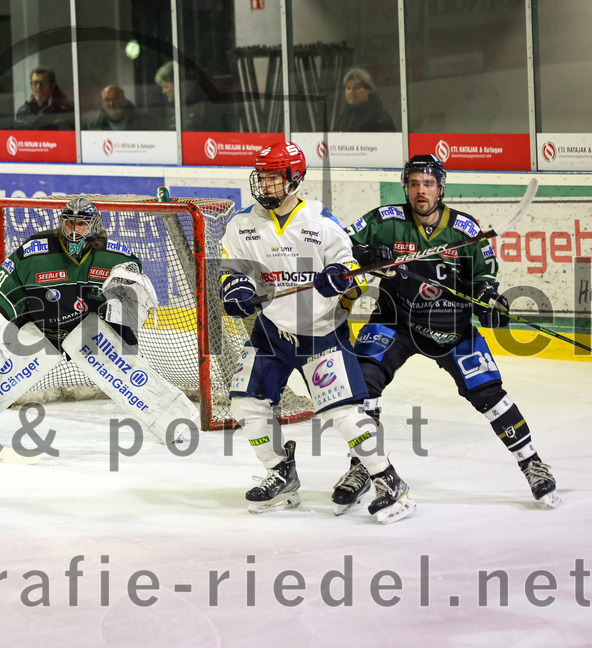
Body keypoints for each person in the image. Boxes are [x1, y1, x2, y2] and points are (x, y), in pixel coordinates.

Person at [343, 154, 561, 508]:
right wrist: (364, 252)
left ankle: (532, 463)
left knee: (489, 394)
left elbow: (484, 279)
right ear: (406, 188)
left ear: (440, 189)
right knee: (362, 385)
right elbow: (340, 241)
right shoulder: (385, 220)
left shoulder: (465, 229)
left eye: (427, 184)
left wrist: (489, 301)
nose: (420, 191)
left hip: (451, 324)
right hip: (394, 321)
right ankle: (362, 468)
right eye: (413, 183)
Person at [219, 141, 415, 523]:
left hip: (322, 332)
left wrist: (339, 279)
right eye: (261, 177)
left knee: (343, 413)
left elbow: (352, 273)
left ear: (295, 180)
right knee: (245, 405)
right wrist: (235, 288)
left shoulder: (322, 223)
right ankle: (280, 470)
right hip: (271, 332)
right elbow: (231, 271)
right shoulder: (242, 224)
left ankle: (389, 481)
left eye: (274, 179)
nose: (265, 186)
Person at [0, 197, 195, 449]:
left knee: (133, 376)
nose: (74, 230)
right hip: (41, 331)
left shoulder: (118, 258)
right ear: (60, 223)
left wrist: (125, 332)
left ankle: (174, 422)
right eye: (69, 222)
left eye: (81, 223)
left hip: (88, 332)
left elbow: (136, 299)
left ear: (93, 226)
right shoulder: (33, 253)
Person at [332, 68, 395, 133]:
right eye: (348, 88)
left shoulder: (380, 118)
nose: (351, 92)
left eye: (357, 87)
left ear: (369, 90)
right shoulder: (344, 117)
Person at [13, 65, 74, 130]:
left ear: (52, 85)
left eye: (43, 83)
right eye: (35, 83)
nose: (38, 87)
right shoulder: (23, 112)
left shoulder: (63, 110)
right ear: (31, 85)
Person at [86, 84, 153, 131]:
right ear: (102, 103)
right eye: (107, 100)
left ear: (123, 100)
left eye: (115, 99)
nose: (111, 104)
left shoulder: (144, 121)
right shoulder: (95, 126)